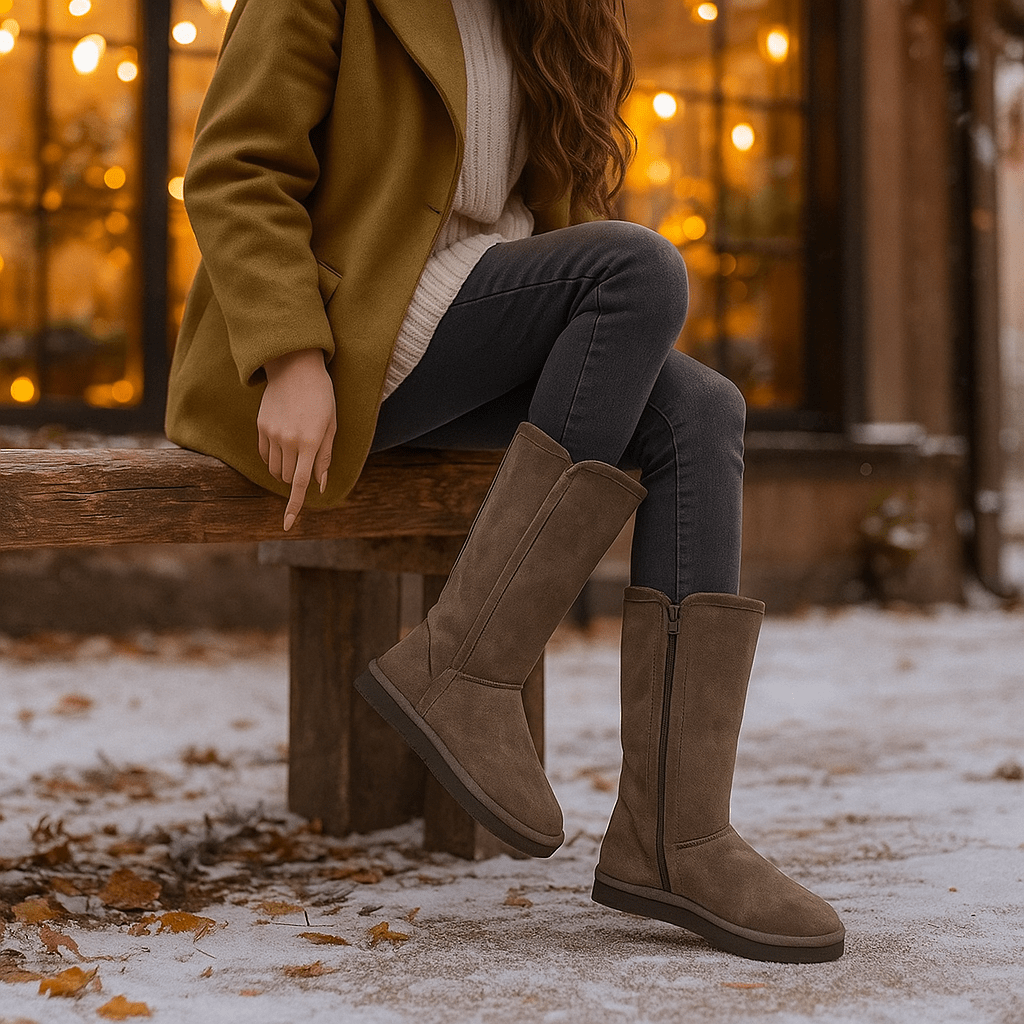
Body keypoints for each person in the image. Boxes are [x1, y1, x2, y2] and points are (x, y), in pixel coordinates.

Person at [165, 0, 845, 963]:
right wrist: (291, 356)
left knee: (701, 412)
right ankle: (466, 667)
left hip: (473, 330)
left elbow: (543, 226)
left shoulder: (543, 13)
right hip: (341, 343)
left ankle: (677, 835)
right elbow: (235, 168)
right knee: (636, 267)